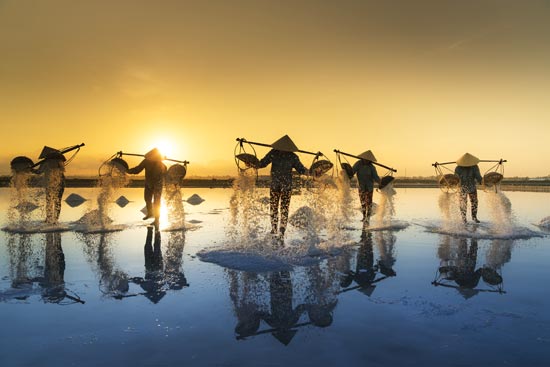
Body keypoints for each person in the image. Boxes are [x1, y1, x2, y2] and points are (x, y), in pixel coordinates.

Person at [258, 135, 307, 237]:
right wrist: (252, 163)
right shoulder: (277, 153)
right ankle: (276, 229)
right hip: (278, 186)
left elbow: (302, 170)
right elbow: (261, 163)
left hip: (283, 186)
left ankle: (280, 230)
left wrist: (311, 172)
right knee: (276, 208)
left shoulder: (289, 156)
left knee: (280, 208)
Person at [127, 148, 167, 227]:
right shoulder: (146, 161)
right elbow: (137, 169)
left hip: (157, 185)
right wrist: (128, 171)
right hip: (148, 183)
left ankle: (157, 220)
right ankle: (150, 213)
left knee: (156, 202)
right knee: (147, 199)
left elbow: (166, 173)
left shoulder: (161, 164)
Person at [36, 147, 66, 225]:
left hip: (57, 184)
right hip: (54, 184)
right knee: (54, 201)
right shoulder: (50, 161)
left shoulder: (55, 161)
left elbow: (38, 172)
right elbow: (38, 172)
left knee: (53, 201)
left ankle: (53, 219)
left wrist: (30, 169)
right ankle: (51, 219)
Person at [352, 150, 381, 225]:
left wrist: (381, 183)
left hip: (369, 187)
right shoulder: (358, 164)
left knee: (369, 203)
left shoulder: (372, 167)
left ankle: (368, 218)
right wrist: (346, 173)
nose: (366, 161)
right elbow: (352, 172)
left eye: (368, 160)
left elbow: (376, 177)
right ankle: (364, 216)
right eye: (365, 159)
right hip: (361, 186)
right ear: (363, 158)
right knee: (363, 202)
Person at [455, 153, 482, 224]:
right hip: (463, 187)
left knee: (473, 202)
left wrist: (482, 181)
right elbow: (456, 178)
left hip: (470, 187)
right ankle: (466, 219)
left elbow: (478, 177)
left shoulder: (474, 167)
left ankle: (472, 217)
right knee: (465, 203)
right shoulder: (458, 168)